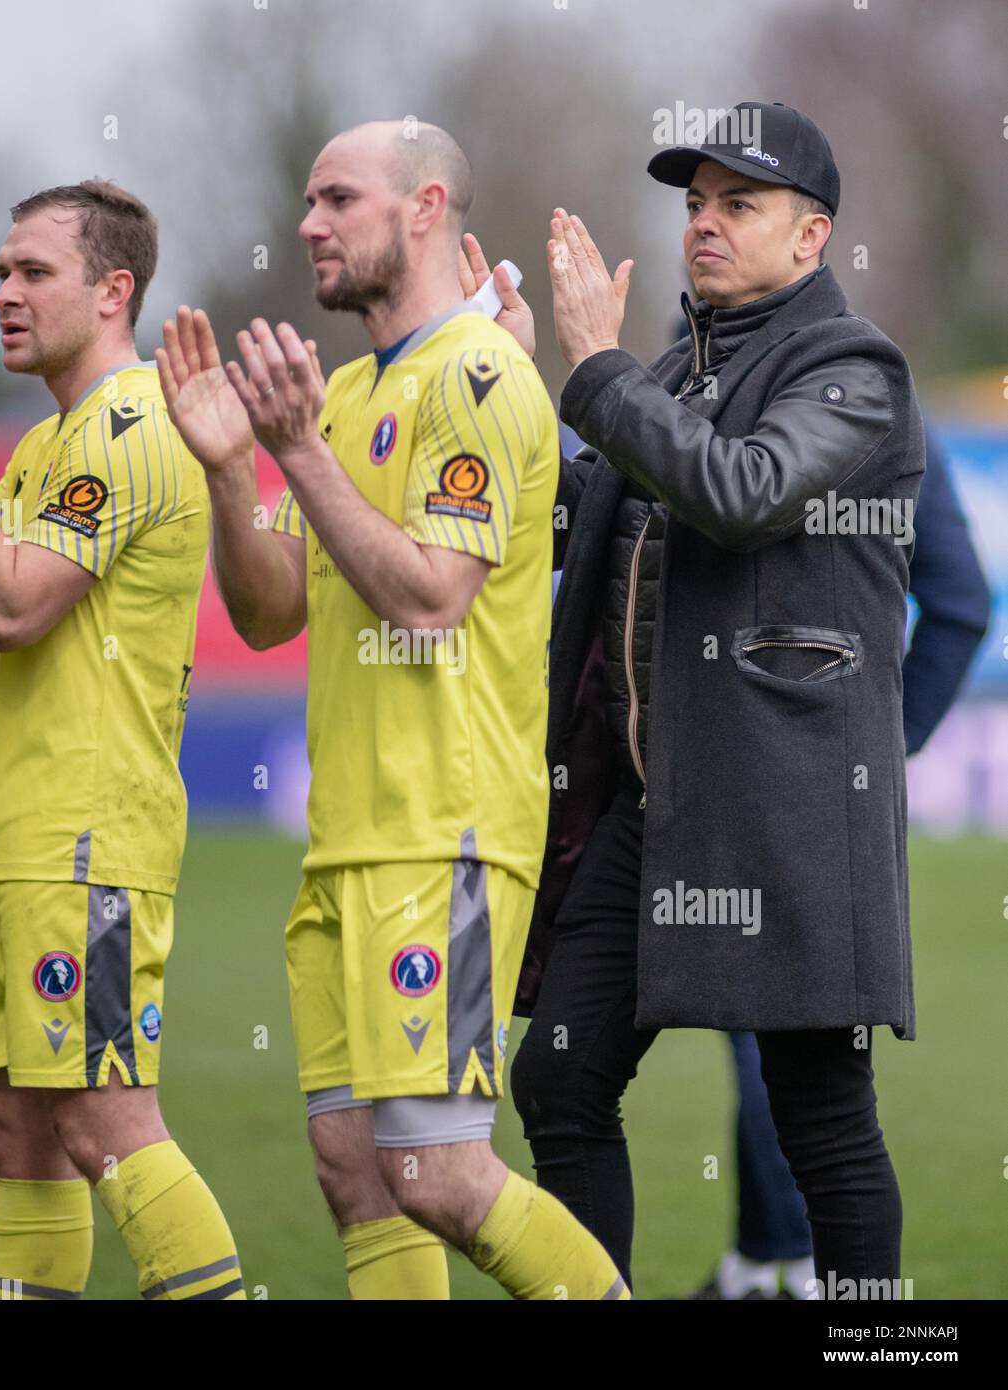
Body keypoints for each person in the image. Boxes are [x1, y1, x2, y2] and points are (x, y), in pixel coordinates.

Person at [156, 120, 627, 1300]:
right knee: (353, 1169)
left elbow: (427, 598)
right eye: (307, 200)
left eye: (335, 199)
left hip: (446, 834)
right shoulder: (351, 387)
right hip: (347, 844)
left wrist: (299, 453)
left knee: (437, 1170)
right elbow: (267, 613)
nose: (307, 223)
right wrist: (230, 465)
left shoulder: (476, 374)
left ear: (423, 208)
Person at [500, 100, 925, 1296]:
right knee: (558, 1079)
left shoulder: (853, 367)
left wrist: (596, 368)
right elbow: (578, 520)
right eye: (692, 203)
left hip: (791, 808)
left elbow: (739, 492)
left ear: (810, 237)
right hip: (656, 803)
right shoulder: (679, 367)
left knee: (820, 1116)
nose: (703, 224)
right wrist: (518, 376)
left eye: (737, 203)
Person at [0, 180, 244, 1301]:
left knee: (101, 1119)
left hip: (84, 839)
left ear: (112, 289)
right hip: (9, 833)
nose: (4, 293)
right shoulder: (48, 442)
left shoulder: (131, 427)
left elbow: (17, 607)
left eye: (33, 272)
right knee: (15, 1131)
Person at [689, 424, 990, 1299]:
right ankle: (763, 1258)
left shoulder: (704, 409)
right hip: (811, 791)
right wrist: (874, 758)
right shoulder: (880, 406)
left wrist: (881, 752)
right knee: (779, 1043)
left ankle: (803, 1273)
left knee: (778, 1048)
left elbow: (961, 605)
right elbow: (961, 599)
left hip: (723, 785)